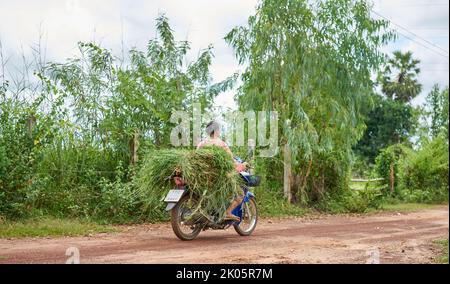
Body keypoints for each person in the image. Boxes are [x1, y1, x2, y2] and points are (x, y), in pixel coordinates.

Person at [197, 120, 246, 221]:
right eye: (219, 129)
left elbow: (196, 159)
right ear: (216, 131)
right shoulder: (222, 144)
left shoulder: (201, 144)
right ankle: (227, 212)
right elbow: (231, 162)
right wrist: (242, 166)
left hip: (204, 177)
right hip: (219, 178)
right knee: (240, 194)